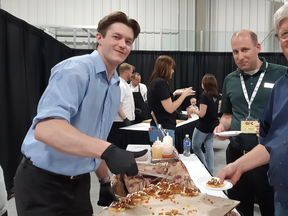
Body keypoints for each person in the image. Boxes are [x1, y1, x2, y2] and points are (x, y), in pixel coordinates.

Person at [14, 11, 147, 216]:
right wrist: (109, 150)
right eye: (117, 37)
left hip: (79, 182)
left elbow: (92, 139)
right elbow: (46, 128)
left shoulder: (113, 87)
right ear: (99, 38)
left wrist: (104, 181)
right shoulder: (75, 70)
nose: (123, 45)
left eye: (128, 41)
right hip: (42, 182)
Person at [216, 4, 288, 216]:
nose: (240, 56)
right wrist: (222, 126)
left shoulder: (278, 75)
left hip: (267, 167)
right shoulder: (282, 85)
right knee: (240, 209)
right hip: (242, 154)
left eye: (245, 50)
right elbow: (228, 116)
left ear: (258, 47)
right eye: (235, 52)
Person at [147, 55, 194, 144]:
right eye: (172, 68)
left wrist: (175, 93)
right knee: (167, 156)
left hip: (159, 127)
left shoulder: (154, 82)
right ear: (166, 68)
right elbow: (170, 108)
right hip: (164, 129)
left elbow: (160, 102)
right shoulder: (161, 83)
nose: (173, 71)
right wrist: (184, 95)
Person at [188, 74, 219, 174]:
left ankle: (205, 168)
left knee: (196, 146)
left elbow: (202, 114)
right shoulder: (215, 95)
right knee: (209, 147)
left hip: (204, 126)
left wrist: (193, 110)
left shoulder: (204, 96)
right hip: (213, 124)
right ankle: (210, 171)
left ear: (205, 83)